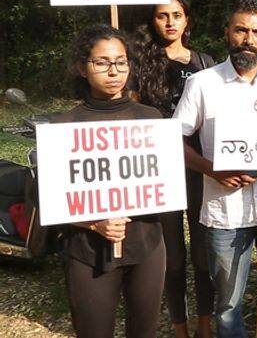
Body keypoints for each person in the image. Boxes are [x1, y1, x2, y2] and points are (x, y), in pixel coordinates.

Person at [173, 0, 257, 338]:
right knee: (228, 303)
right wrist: (211, 169)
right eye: (241, 29)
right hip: (224, 213)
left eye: (256, 31)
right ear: (227, 32)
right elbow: (174, 140)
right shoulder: (202, 83)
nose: (248, 38)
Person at [54, 24, 165, 337]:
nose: (114, 71)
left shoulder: (150, 119)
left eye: (121, 61)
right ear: (82, 67)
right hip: (88, 252)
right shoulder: (64, 126)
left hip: (147, 246)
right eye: (101, 62)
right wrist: (93, 224)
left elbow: (163, 184)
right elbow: (52, 199)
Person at [131, 0, 216, 338]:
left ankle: (205, 324)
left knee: (202, 251)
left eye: (176, 15)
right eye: (162, 16)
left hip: (198, 163)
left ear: (186, 20)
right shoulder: (141, 63)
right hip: (160, 166)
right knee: (173, 255)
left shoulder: (205, 62)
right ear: (154, 21)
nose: (169, 22)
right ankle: (179, 325)